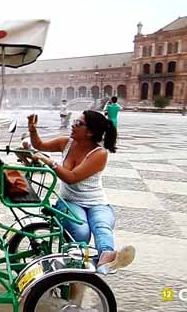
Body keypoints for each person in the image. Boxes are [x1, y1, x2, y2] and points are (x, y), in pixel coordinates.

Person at [28, 110, 134, 273]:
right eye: (74, 122)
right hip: (69, 201)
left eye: (78, 124)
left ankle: (107, 259)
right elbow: (40, 145)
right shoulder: (66, 142)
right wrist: (32, 129)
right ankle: (77, 267)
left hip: (97, 202)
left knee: (101, 225)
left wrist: (49, 162)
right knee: (81, 230)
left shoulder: (99, 153)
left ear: (90, 132)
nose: (73, 125)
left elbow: (72, 177)